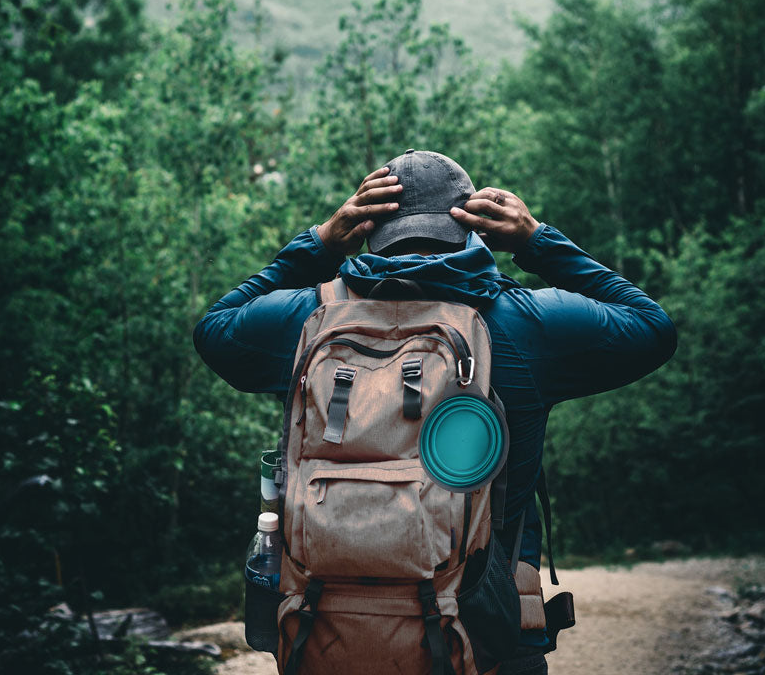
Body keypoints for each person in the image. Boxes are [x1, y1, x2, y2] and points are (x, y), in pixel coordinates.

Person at [194, 150, 677, 675]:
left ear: (368, 225)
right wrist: (537, 240)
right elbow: (652, 328)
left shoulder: (305, 320)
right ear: (470, 226)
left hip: (327, 633)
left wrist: (319, 244)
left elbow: (214, 329)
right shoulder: (527, 323)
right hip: (487, 637)